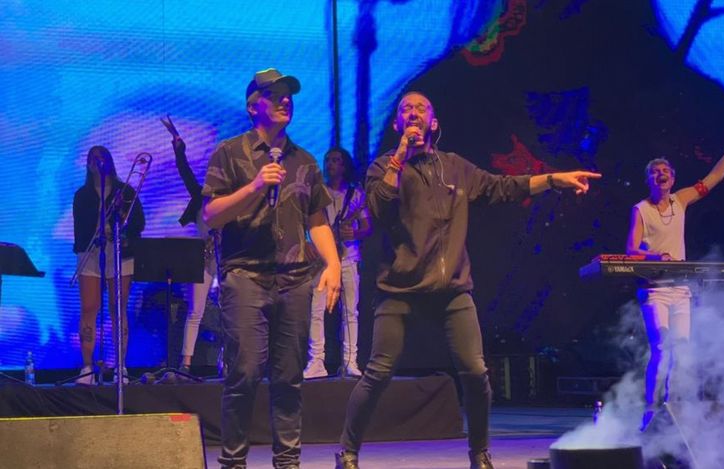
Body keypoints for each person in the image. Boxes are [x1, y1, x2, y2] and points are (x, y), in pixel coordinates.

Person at [334, 91, 601, 469]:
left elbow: (502, 186)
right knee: (378, 372)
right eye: (406, 109)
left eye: (421, 108)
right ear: (397, 124)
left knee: (475, 373)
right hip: (400, 289)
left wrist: (554, 179)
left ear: (434, 123)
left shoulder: (455, 167)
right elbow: (378, 207)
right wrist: (400, 156)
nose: (413, 112)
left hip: (452, 289)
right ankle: (347, 452)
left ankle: (479, 454)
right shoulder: (383, 166)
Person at [202, 68, 342, 469]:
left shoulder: (304, 161)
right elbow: (210, 215)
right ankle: (233, 462)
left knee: (288, 377)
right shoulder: (230, 153)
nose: (285, 100)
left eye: (288, 94)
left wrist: (333, 263)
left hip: (295, 280)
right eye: (275, 95)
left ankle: (288, 462)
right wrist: (254, 187)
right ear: (253, 107)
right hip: (246, 277)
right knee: (244, 372)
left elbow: (317, 220)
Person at [626, 121, 724, 430]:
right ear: (649, 179)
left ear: (672, 177)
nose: (661, 174)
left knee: (681, 348)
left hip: (680, 289)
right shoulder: (641, 209)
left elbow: (715, 177)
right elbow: (631, 249)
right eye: (655, 172)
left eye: (665, 171)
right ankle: (651, 409)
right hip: (655, 289)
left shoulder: (680, 200)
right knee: (661, 348)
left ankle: (672, 409)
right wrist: (654, 256)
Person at [72, 145, 145, 385]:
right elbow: (80, 229)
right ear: (88, 164)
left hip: (120, 254)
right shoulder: (82, 195)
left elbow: (139, 223)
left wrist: (120, 232)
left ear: (110, 161)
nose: (97, 162)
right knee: (89, 307)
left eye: (101, 157)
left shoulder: (125, 191)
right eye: (92, 158)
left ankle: (120, 366)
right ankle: (87, 367)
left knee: (118, 307)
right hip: (91, 253)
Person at [304, 147, 372, 379]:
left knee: (350, 312)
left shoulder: (356, 194)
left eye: (335, 160)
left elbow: (367, 227)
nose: (330, 164)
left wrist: (355, 233)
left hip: (349, 257)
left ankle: (350, 361)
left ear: (344, 166)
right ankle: (316, 361)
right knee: (316, 311)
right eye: (327, 160)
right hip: (322, 260)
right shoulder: (317, 192)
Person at [162, 115, 220, 375]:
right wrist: (178, 146)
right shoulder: (199, 196)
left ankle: (228, 360)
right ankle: (186, 363)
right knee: (195, 311)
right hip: (202, 257)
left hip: (225, 258)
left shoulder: (233, 199)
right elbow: (184, 171)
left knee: (232, 311)